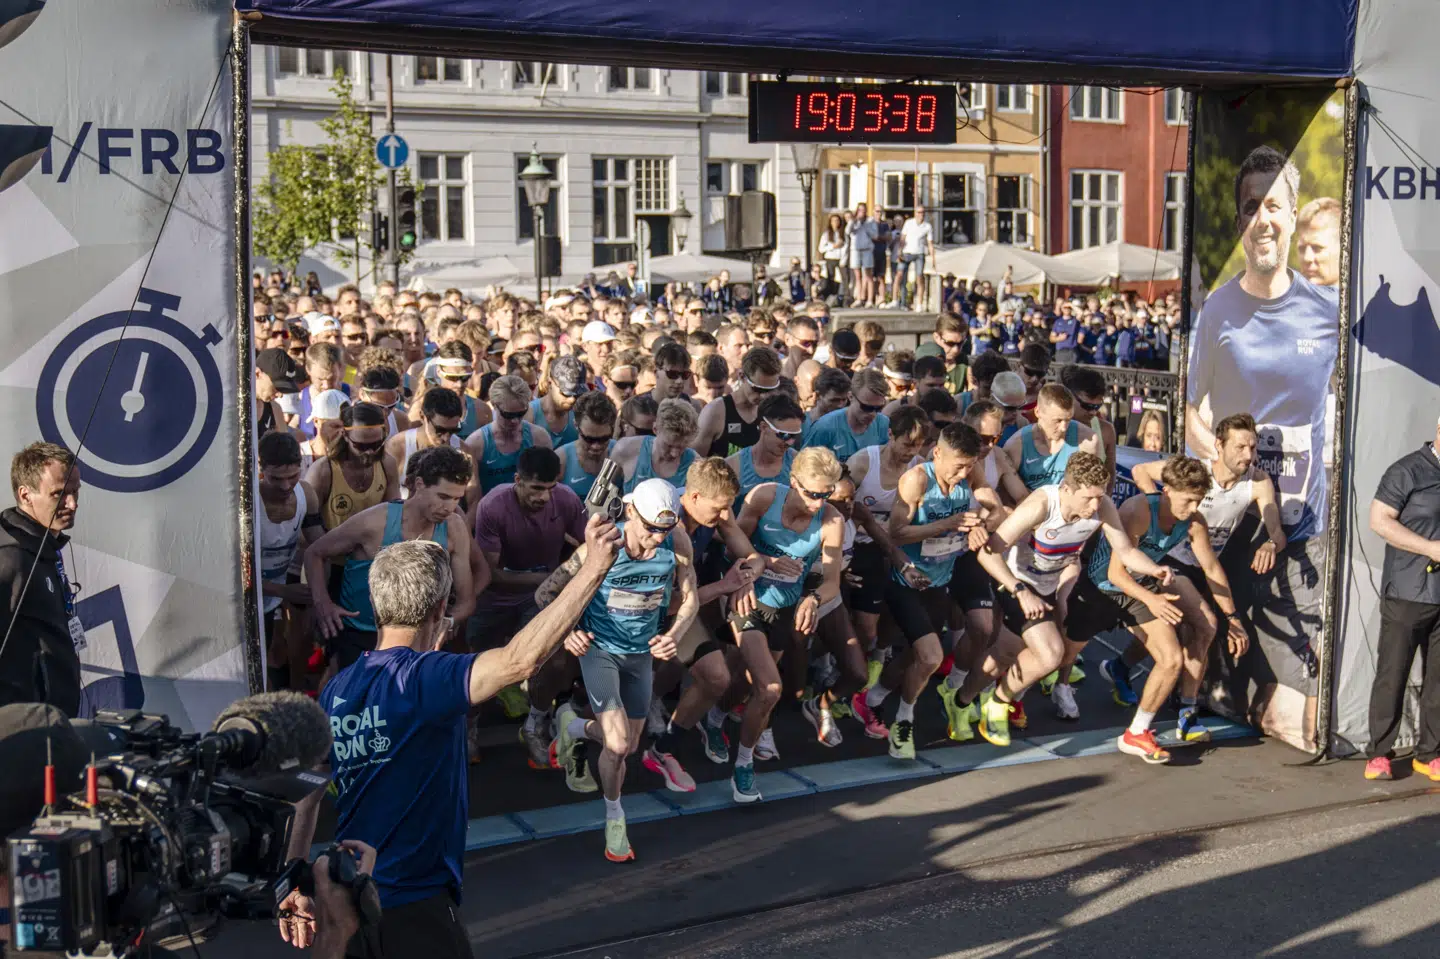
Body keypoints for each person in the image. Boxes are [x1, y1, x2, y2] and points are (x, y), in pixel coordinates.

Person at [285, 513, 621, 958]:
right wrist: (594, 567)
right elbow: (521, 660)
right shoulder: (429, 679)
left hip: (349, 894)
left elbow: (306, 793)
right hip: (415, 905)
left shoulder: (339, 688)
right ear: (440, 608)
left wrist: (294, 875)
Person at [1187, 147, 1338, 746]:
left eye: (1274, 204)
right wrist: (1228, 464)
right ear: (1239, 222)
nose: (1263, 219)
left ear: (1293, 213)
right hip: (1235, 524)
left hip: (1305, 523)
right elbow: (1192, 415)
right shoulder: (1218, 310)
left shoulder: (1327, 309)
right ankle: (1217, 690)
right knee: (1227, 650)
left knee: (1303, 720)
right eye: (1252, 207)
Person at [969, 453, 1172, 747]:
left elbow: (1126, 552)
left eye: (1099, 497)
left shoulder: (1102, 507)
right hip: (1016, 583)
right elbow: (988, 553)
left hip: (1047, 586)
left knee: (1005, 655)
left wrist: (1154, 568)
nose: (1094, 506)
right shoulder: (1042, 504)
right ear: (1067, 489)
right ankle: (997, 702)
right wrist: (1018, 590)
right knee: (1051, 653)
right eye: (1088, 498)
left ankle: (961, 698)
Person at [553, 479, 698, 861]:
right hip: (600, 650)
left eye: (664, 530)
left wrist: (675, 634)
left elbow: (690, 596)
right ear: (631, 512)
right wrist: (569, 631)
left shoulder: (677, 541)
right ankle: (615, 816)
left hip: (641, 655)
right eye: (650, 528)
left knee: (629, 746)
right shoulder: (601, 545)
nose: (656, 537)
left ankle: (571, 726)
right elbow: (547, 594)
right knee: (616, 746)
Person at [1066, 457, 1239, 754]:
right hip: (1101, 588)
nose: (1194, 508)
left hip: (1141, 588)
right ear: (1168, 491)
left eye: (1199, 500)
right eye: (1188, 500)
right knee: (1058, 658)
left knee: (1172, 658)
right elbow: (1115, 573)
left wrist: (1233, 618)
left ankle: (1138, 731)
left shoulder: (1194, 522)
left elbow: (1211, 568)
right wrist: (1152, 599)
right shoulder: (1139, 510)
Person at [862, 423, 1001, 758]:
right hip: (905, 582)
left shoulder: (970, 473)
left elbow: (996, 509)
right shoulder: (917, 480)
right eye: (957, 466)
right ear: (937, 453)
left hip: (939, 581)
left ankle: (873, 698)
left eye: (969, 466)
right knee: (931, 656)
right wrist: (946, 525)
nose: (963, 473)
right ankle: (904, 721)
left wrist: (983, 525)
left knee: (915, 657)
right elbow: (896, 533)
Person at [728, 447, 846, 801]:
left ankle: (717, 718)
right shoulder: (764, 497)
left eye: (827, 494)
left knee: (744, 684)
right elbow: (732, 544)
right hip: (747, 599)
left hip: (783, 609)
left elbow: (831, 581)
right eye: (812, 493)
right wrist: (768, 561)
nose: (818, 502)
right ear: (793, 481)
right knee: (770, 688)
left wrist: (813, 598)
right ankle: (743, 767)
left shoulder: (832, 521)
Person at [305, 446, 476, 673]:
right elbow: (314, 553)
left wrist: (449, 622)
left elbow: (466, 601)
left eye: (457, 499)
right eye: (443, 496)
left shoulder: (454, 528)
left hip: (419, 640)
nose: (449, 507)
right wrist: (323, 604)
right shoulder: (375, 521)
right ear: (419, 484)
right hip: (362, 634)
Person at [1362, 418, 1440, 781]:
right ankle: (1380, 752)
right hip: (1407, 592)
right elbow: (1379, 520)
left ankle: (1430, 753)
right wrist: (1429, 548)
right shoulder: (1407, 470)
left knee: (1438, 679)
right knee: (1393, 673)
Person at [0, 443, 82, 716]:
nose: (72, 503)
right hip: (23, 730)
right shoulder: (10, 556)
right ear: (25, 495)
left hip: (53, 723)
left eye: (75, 492)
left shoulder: (45, 547)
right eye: (59, 494)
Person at [258, 432, 323, 692]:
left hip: (274, 592)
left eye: (292, 476)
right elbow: (230, 572)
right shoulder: (245, 502)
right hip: (242, 602)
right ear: (259, 468)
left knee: (288, 650)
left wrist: (321, 597)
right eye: (276, 478)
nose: (286, 486)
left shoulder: (306, 493)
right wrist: (284, 591)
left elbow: (320, 548)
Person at [307, 402, 400, 535]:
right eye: (361, 446)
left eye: (376, 444)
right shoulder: (322, 471)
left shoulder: (387, 464)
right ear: (345, 435)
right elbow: (308, 525)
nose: (369, 452)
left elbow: (392, 515)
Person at [1004, 384, 1104, 492]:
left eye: (1068, 419)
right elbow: (1007, 496)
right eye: (1058, 420)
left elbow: (1093, 488)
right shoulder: (1016, 446)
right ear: (1038, 412)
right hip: (1030, 504)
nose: (1063, 428)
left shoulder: (1087, 440)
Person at [464, 375, 551, 496]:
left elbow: (548, 485)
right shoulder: (476, 444)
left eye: (521, 413)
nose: (515, 421)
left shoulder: (540, 438)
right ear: (494, 405)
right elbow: (472, 498)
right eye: (508, 415)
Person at [694, 345, 784, 457]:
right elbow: (694, 464)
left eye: (769, 390)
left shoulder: (773, 412)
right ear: (742, 376)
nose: (763, 396)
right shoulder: (715, 412)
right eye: (758, 389)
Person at [612, 398, 700, 493]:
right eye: (669, 445)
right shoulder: (625, 449)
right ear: (655, 429)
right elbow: (599, 499)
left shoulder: (696, 466)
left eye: (682, 447)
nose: (674, 454)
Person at [803, 368, 891, 461]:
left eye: (878, 408)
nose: (872, 414)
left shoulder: (882, 423)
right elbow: (804, 466)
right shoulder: (824, 427)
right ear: (850, 397)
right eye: (866, 408)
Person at [555, 391, 619, 499]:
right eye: (589, 439)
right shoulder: (561, 460)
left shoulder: (622, 454)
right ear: (576, 425)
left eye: (604, 438)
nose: (596, 446)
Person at [895, 204, 935, 310]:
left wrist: (933, 259)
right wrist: (899, 251)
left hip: (919, 253)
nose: (920, 215)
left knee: (919, 277)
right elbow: (902, 238)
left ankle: (919, 304)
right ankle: (898, 301)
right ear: (915, 213)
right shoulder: (909, 223)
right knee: (900, 275)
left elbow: (930, 243)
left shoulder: (927, 226)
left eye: (922, 212)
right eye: (918, 212)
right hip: (907, 252)